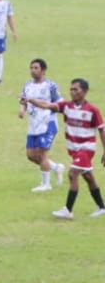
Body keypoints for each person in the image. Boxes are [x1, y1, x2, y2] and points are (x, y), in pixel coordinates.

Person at [22, 78, 105, 219]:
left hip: (86, 149)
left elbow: (102, 130)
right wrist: (30, 100)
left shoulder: (92, 110)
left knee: (72, 174)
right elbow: (46, 105)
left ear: (84, 92)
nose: (72, 92)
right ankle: (102, 207)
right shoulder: (66, 106)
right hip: (74, 149)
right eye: (71, 89)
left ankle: (68, 210)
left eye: (76, 89)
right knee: (88, 177)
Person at [19, 58, 65, 193]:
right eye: (31, 67)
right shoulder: (27, 85)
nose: (33, 70)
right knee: (31, 156)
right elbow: (23, 101)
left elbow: (59, 103)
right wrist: (22, 110)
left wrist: (47, 107)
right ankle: (56, 168)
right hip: (33, 125)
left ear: (43, 71)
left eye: (36, 68)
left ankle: (45, 184)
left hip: (47, 123)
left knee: (42, 154)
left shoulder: (50, 86)